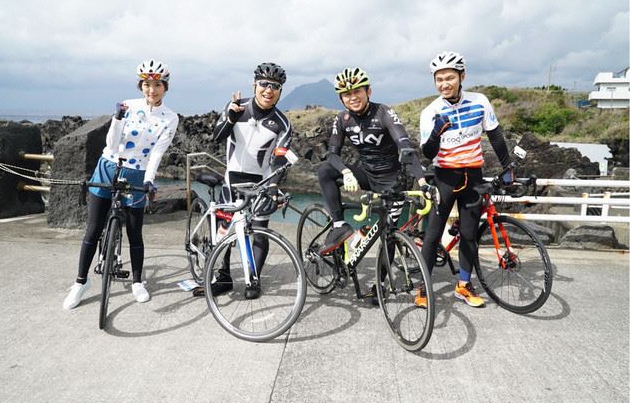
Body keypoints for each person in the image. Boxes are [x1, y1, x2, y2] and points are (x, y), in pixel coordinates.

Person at [63, 59, 179, 310]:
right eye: (147, 84)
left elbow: (158, 152)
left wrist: (149, 180)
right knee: (93, 230)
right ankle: (80, 283)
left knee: (134, 232)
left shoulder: (171, 118)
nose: (152, 90)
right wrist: (117, 118)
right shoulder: (129, 105)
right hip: (107, 166)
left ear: (165, 87)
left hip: (137, 174)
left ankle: (138, 281)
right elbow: (112, 144)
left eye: (158, 84)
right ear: (141, 86)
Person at [317, 67, 432, 302]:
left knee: (388, 233)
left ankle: (379, 283)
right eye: (346, 95)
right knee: (325, 170)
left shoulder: (384, 113)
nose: (353, 97)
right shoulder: (343, 119)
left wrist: (422, 182)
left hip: (393, 180)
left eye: (357, 91)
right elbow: (332, 155)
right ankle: (339, 224)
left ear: (368, 90)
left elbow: (406, 148)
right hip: (367, 176)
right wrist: (347, 172)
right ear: (341, 99)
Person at [418, 51, 512, 308]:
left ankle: (463, 285)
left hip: (473, 174)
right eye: (438, 79)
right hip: (444, 176)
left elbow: (495, 135)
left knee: (469, 234)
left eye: (449, 77)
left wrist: (507, 167)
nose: (444, 84)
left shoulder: (480, 101)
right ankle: (424, 289)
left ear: (462, 76)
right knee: (433, 234)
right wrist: (436, 134)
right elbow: (427, 153)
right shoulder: (431, 111)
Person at [197, 62, 292, 300]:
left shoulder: (283, 123)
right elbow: (217, 137)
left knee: (259, 232)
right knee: (224, 233)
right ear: (254, 85)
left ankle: (253, 279)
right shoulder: (237, 108)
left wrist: (273, 187)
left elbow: (280, 159)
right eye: (264, 84)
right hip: (232, 181)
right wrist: (229, 118)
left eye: (275, 86)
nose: (268, 90)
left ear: (280, 91)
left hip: (260, 183)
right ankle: (224, 277)